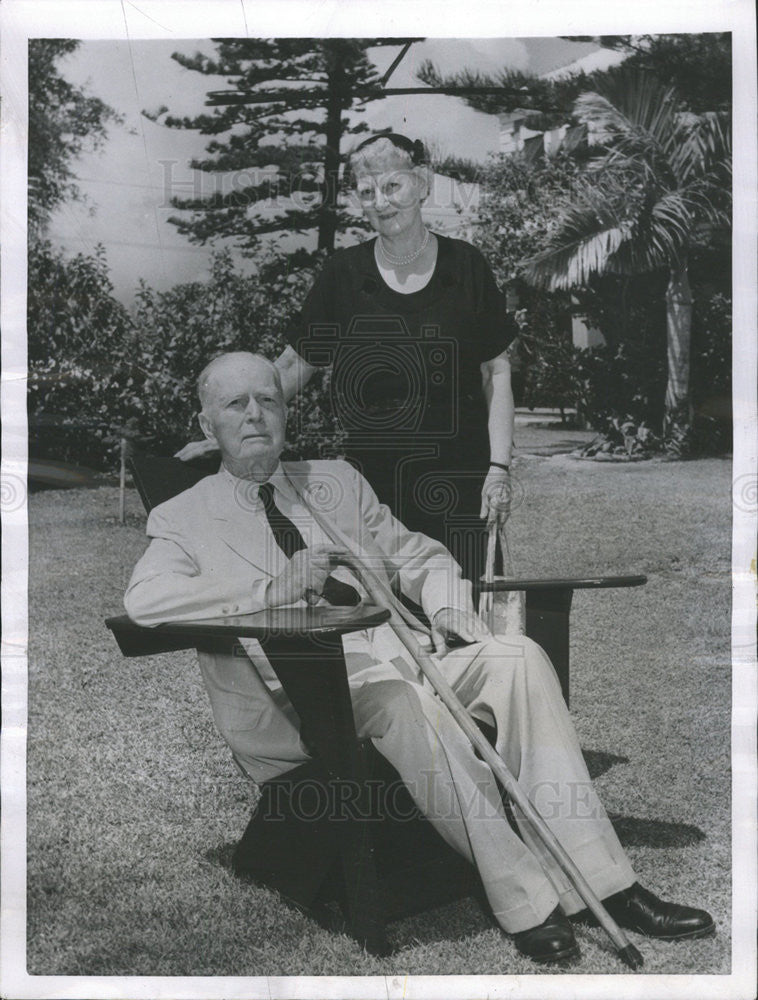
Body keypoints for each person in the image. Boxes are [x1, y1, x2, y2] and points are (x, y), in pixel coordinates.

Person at [128, 351, 714, 964]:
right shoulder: (183, 516)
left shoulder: (333, 481)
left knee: (517, 656)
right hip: (312, 693)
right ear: (206, 426)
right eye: (235, 404)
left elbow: (420, 555)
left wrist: (449, 612)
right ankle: (526, 900)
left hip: (407, 656)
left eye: (268, 400)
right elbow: (145, 600)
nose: (255, 415)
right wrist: (268, 591)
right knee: (401, 702)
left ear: (284, 412)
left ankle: (606, 884)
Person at [177, 132, 516, 584]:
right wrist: (231, 426)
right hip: (371, 493)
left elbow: (496, 372)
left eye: (392, 186)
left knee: (468, 610)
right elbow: (293, 367)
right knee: (389, 619)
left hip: (460, 483)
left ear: (422, 183)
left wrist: (498, 469)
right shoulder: (344, 275)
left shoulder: (466, 266)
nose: (380, 201)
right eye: (366, 191)